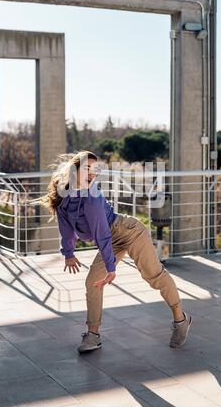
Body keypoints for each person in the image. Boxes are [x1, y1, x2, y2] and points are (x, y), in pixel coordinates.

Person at [33, 150, 192, 354]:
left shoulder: (92, 198)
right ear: (75, 170)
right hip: (110, 237)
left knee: (153, 276)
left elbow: (102, 236)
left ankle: (181, 319)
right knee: (93, 282)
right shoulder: (63, 196)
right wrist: (69, 253)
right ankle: (93, 335)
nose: (92, 174)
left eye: (95, 169)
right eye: (87, 169)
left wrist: (110, 267)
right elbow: (66, 229)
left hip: (129, 231)